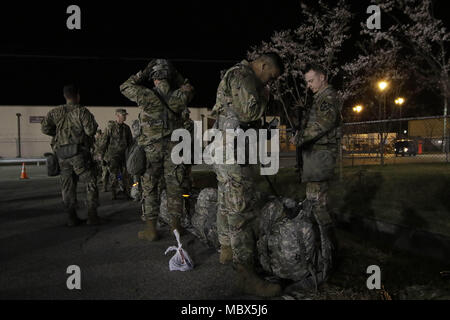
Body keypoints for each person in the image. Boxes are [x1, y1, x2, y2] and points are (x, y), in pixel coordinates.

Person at [211, 53, 284, 297]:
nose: (267, 83)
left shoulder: (236, 74)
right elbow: (248, 112)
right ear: (262, 65)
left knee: (226, 200)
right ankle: (246, 275)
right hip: (232, 150)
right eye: (269, 77)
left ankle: (226, 250)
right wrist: (265, 97)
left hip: (225, 147)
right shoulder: (244, 75)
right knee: (241, 209)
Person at [120, 59, 194, 241]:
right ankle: (176, 228)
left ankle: (151, 230)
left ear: (153, 79)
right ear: (169, 77)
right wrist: (176, 73)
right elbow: (188, 86)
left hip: (151, 150)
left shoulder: (145, 94)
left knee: (150, 188)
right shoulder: (180, 95)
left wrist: (143, 73)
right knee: (174, 187)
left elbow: (124, 86)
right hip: (174, 150)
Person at [290, 63, 343, 280]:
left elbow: (323, 124)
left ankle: (328, 259)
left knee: (318, 206)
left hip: (321, 158)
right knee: (314, 204)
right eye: (307, 82)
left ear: (323, 77)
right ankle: (322, 255)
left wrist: (300, 138)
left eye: (311, 80)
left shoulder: (328, 97)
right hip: (315, 157)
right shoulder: (320, 98)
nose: (309, 85)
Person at [41, 84, 101, 226]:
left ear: (65, 96)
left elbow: (44, 128)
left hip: (62, 154)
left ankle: (71, 218)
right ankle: (92, 216)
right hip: (79, 153)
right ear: (77, 96)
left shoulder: (55, 112)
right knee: (90, 181)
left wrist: (58, 135)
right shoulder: (82, 111)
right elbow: (90, 131)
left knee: (67, 185)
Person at [98, 109, 133, 200]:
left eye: (125, 115)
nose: (125, 117)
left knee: (124, 174)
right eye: (123, 115)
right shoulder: (110, 127)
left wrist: (131, 154)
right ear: (117, 116)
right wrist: (101, 154)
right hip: (113, 156)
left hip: (124, 156)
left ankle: (125, 191)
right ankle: (113, 192)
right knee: (114, 174)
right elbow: (104, 141)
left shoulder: (127, 128)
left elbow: (130, 143)